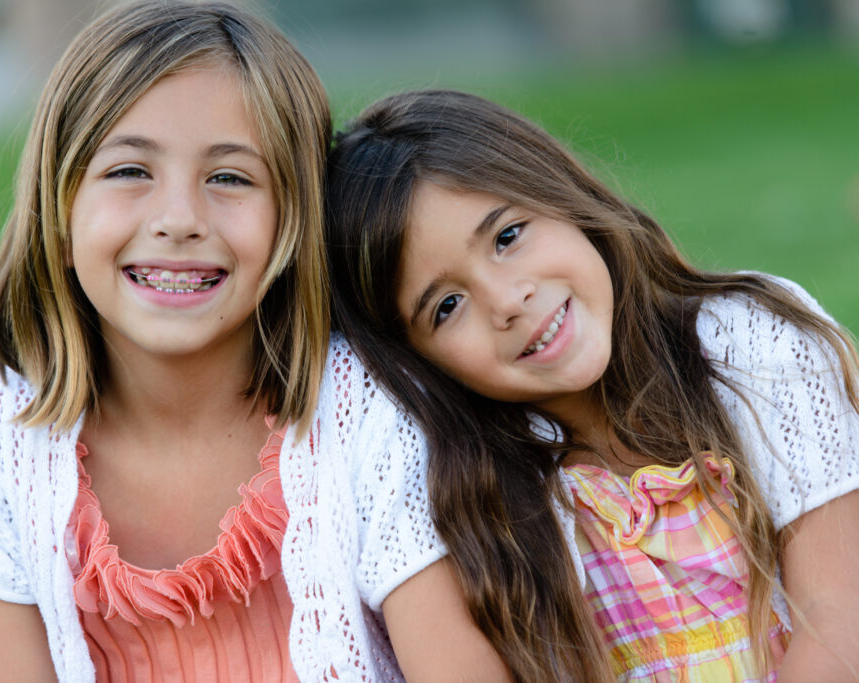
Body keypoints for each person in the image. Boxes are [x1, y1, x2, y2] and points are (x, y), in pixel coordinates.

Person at [0, 4, 488, 681]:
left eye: (230, 177)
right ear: (59, 204)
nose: (179, 219)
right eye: (130, 171)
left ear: (294, 218)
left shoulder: (369, 415)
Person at [325, 89, 859, 681]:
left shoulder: (748, 341)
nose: (507, 301)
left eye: (507, 237)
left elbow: (838, 616)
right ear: (418, 361)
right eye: (447, 306)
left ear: (561, 196)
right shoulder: (479, 493)